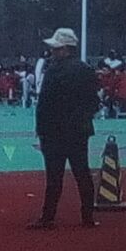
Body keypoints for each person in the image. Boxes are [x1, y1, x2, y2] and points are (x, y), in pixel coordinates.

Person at [30, 28, 99, 230]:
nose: (52, 52)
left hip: (54, 132)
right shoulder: (86, 70)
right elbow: (94, 102)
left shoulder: (53, 71)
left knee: (54, 177)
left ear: (66, 49)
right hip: (79, 130)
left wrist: (40, 130)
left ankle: (48, 217)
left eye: (56, 48)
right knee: (82, 173)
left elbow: (44, 104)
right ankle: (87, 216)